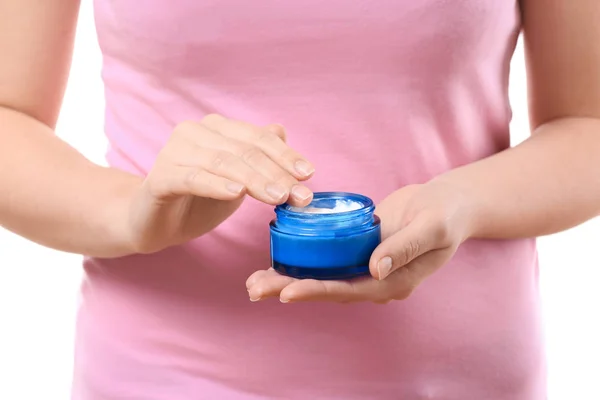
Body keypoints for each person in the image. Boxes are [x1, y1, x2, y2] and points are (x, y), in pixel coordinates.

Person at [1, 0, 599, 399]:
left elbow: (589, 120)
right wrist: (130, 212)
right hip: (163, 374)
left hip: (458, 380)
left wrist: (466, 200)